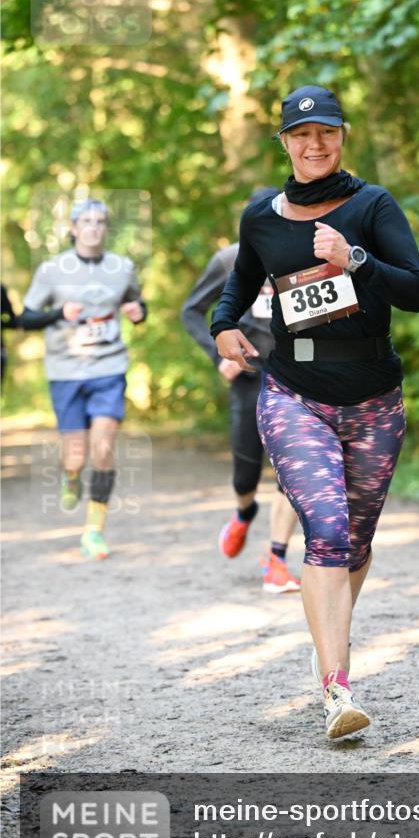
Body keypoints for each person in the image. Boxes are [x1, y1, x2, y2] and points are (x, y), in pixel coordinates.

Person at [211, 85, 419, 739]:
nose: (315, 144)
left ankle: (325, 644)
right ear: (283, 142)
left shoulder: (372, 206)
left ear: (342, 135)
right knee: (326, 531)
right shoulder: (261, 216)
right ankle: (337, 688)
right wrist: (224, 327)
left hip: (373, 397)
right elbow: (239, 286)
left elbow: (415, 291)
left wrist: (353, 258)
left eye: (326, 132)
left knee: (355, 542)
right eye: (301, 135)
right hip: (293, 393)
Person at [180, 188, 301, 594]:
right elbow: (190, 310)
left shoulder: (304, 256)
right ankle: (244, 511)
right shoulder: (230, 259)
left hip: (296, 376)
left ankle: (277, 561)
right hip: (249, 374)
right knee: (246, 472)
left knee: (292, 473)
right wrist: (220, 357)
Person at [20, 198, 147, 560]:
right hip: (66, 371)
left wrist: (138, 313)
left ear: (106, 228)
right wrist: (59, 312)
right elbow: (26, 318)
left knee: (103, 448)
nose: (94, 227)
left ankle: (94, 532)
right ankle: (71, 474)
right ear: (74, 228)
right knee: (75, 456)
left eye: (100, 221)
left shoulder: (122, 267)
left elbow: (137, 305)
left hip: (109, 368)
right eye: (86, 221)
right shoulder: (51, 270)